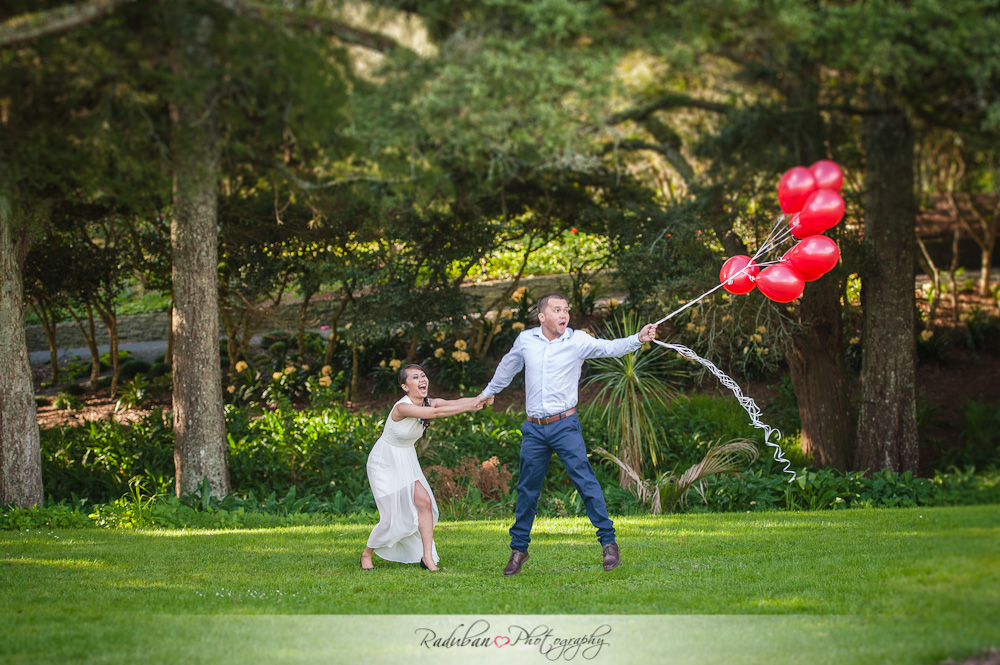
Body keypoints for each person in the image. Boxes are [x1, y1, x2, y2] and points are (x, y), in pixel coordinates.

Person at [475, 293, 657, 576]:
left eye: (566, 310)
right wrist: (487, 393)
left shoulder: (577, 341)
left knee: (586, 483)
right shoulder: (526, 341)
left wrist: (638, 338)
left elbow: (610, 348)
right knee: (526, 491)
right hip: (534, 428)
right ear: (542, 316)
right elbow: (507, 368)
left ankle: (608, 543)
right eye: (557, 310)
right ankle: (518, 549)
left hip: (565, 425)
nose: (564, 314)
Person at [361, 363, 489, 572]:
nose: (422, 379)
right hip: (384, 462)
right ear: (405, 387)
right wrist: (470, 407)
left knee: (425, 501)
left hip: (406, 457)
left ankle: (427, 557)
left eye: (423, 375)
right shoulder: (402, 407)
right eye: (414, 377)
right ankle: (367, 553)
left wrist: (479, 399)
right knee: (394, 518)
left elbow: (450, 402)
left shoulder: (429, 401)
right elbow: (436, 413)